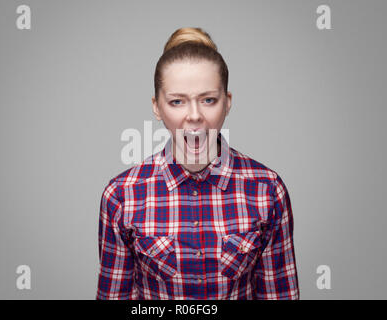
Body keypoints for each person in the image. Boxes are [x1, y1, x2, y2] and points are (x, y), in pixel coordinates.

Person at [96, 27, 299, 300]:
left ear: (227, 103)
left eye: (208, 100)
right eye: (177, 101)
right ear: (157, 107)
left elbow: (279, 295)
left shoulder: (267, 190)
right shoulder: (121, 196)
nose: (194, 116)